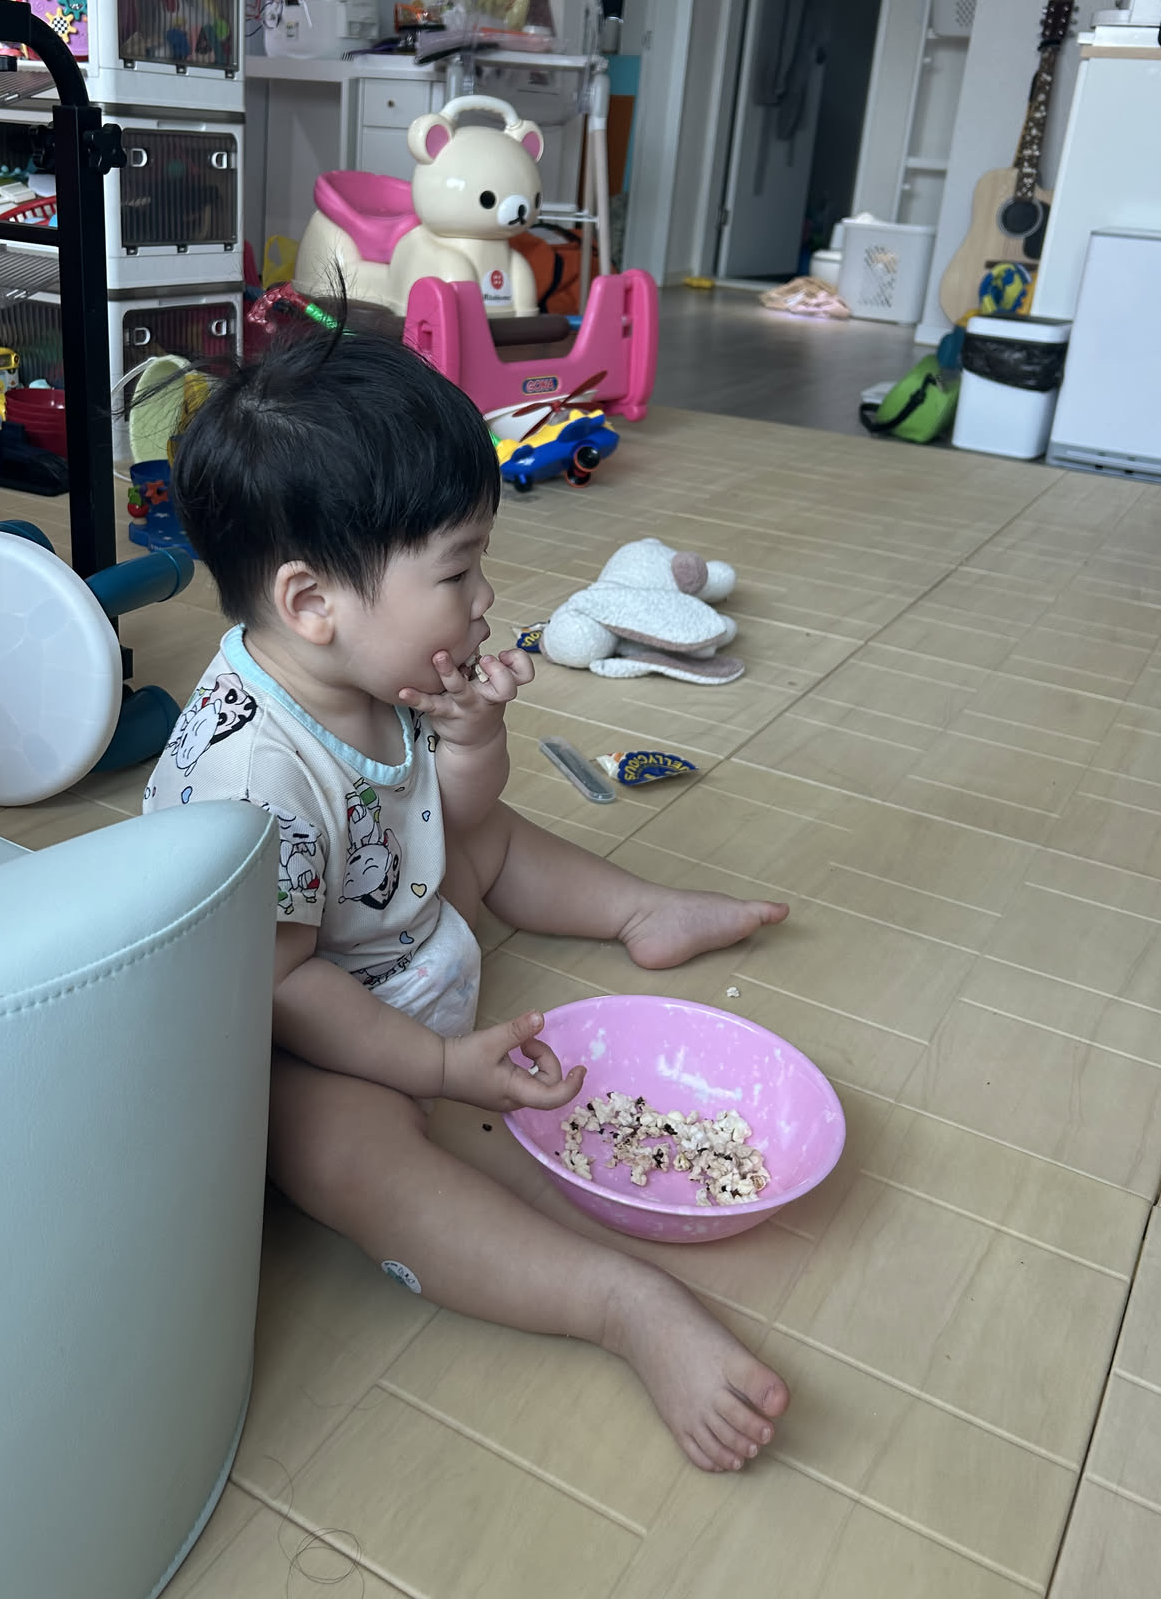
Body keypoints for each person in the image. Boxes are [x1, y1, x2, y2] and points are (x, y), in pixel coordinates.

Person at [143, 316, 791, 1473]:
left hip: (382, 922)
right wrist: (437, 1066)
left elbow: (450, 809)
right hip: (293, 1028)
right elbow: (280, 984)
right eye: (456, 571)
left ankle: (637, 908)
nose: (486, 597)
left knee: (488, 832)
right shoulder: (251, 776)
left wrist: (475, 736)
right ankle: (617, 1304)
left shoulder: (371, 659)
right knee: (346, 1152)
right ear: (311, 601)